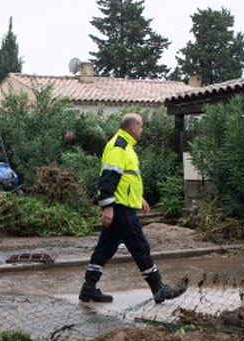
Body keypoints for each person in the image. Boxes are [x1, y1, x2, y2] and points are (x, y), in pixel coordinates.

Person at [79, 113, 185, 304]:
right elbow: (107, 179)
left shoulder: (125, 146)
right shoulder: (119, 146)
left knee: (105, 247)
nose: (142, 130)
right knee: (139, 246)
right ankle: (158, 288)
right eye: (141, 126)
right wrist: (108, 207)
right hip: (121, 208)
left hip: (122, 204)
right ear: (133, 127)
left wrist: (139, 197)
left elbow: (126, 178)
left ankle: (88, 288)